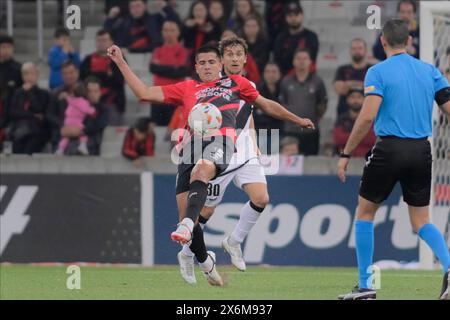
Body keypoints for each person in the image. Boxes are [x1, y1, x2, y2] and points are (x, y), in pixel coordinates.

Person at [107, 42, 314, 286]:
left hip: (222, 142)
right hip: (189, 147)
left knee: (204, 170)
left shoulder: (237, 84)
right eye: (202, 63)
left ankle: (191, 230)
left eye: (211, 62)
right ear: (195, 67)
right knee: (192, 217)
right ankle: (205, 263)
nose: (207, 66)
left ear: (220, 65)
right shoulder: (186, 88)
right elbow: (143, 93)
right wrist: (121, 61)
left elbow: (266, 105)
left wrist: (297, 119)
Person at [337, 19, 450, 300]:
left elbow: (367, 116)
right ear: (409, 41)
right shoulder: (430, 71)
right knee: (422, 221)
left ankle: (365, 287)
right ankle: (449, 267)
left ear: (383, 42)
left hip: (389, 149)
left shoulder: (378, 72)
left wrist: (346, 152)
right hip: (421, 150)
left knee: (365, 214)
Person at [177, 37, 271, 284]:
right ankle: (187, 254)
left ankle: (234, 241)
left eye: (238, 54)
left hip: (244, 151)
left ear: (245, 58)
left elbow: (247, 114)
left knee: (261, 198)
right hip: (218, 152)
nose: (234, 58)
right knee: (205, 211)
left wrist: (255, 141)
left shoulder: (246, 84)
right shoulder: (213, 87)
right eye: (229, 54)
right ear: (222, 60)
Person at [279, 49, 328, 156]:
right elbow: (282, 104)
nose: (301, 61)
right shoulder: (286, 81)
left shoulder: (317, 82)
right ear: (293, 61)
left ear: (310, 61)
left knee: (311, 162)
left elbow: (322, 105)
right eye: (298, 58)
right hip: (290, 130)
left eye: (305, 58)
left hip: (310, 131)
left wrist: (314, 118)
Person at [80, 29, 125, 124]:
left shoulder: (119, 59)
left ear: (111, 42)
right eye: (98, 40)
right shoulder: (88, 59)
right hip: (90, 102)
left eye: (104, 40)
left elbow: (118, 81)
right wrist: (106, 76)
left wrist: (94, 75)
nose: (101, 43)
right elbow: (82, 79)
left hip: (112, 103)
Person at [149, 20, 190, 125]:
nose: (169, 33)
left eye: (172, 30)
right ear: (162, 32)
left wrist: (161, 68)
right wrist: (173, 68)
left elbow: (181, 72)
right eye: (166, 30)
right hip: (158, 96)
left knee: (174, 129)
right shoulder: (157, 50)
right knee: (157, 128)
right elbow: (153, 68)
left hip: (175, 96)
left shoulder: (183, 51)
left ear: (178, 32)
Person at [104, 0, 180, 53]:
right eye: (132, 7)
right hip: (129, 56)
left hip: (153, 54)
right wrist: (110, 18)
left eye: (138, 6)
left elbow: (176, 23)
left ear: (145, 6)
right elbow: (107, 35)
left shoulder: (156, 18)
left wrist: (165, 7)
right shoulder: (123, 22)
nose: (135, 9)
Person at [9, 62, 50, 155]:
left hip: (36, 131)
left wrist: (30, 92)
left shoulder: (43, 93)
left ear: (37, 75)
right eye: (26, 74)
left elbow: (39, 109)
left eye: (32, 73)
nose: (29, 77)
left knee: (32, 141)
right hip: (19, 129)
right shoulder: (17, 93)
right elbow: (13, 112)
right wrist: (32, 115)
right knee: (17, 138)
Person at [273, 2, 319, 76]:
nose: (293, 18)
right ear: (286, 17)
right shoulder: (280, 38)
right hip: (284, 78)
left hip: (307, 77)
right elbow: (277, 61)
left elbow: (311, 61)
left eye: (296, 15)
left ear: (302, 15)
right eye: (290, 15)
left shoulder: (311, 37)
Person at [334, 38, 372, 118]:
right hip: (344, 115)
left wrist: (348, 84)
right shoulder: (342, 69)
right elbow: (339, 89)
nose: (357, 51)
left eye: (360, 48)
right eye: (354, 48)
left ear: (365, 50)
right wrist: (363, 85)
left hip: (367, 115)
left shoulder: (372, 70)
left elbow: (374, 89)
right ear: (350, 51)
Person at [56, 83, 97, 155]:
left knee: (66, 137)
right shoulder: (83, 102)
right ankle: (82, 146)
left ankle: (60, 149)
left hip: (67, 121)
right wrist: (93, 111)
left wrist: (65, 96)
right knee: (83, 133)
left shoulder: (71, 100)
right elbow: (86, 110)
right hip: (77, 122)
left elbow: (68, 98)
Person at [333, 88, 376, 157]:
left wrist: (350, 138)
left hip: (366, 158)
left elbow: (372, 138)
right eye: (352, 97)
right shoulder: (341, 119)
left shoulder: (370, 118)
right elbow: (338, 139)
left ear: (364, 100)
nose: (355, 100)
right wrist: (361, 136)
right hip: (344, 157)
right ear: (347, 100)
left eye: (359, 97)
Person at [0, 34, 22, 114]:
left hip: (12, 110)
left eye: (9, 47)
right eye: (3, 47)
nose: (6, 50)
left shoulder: (19, 68)